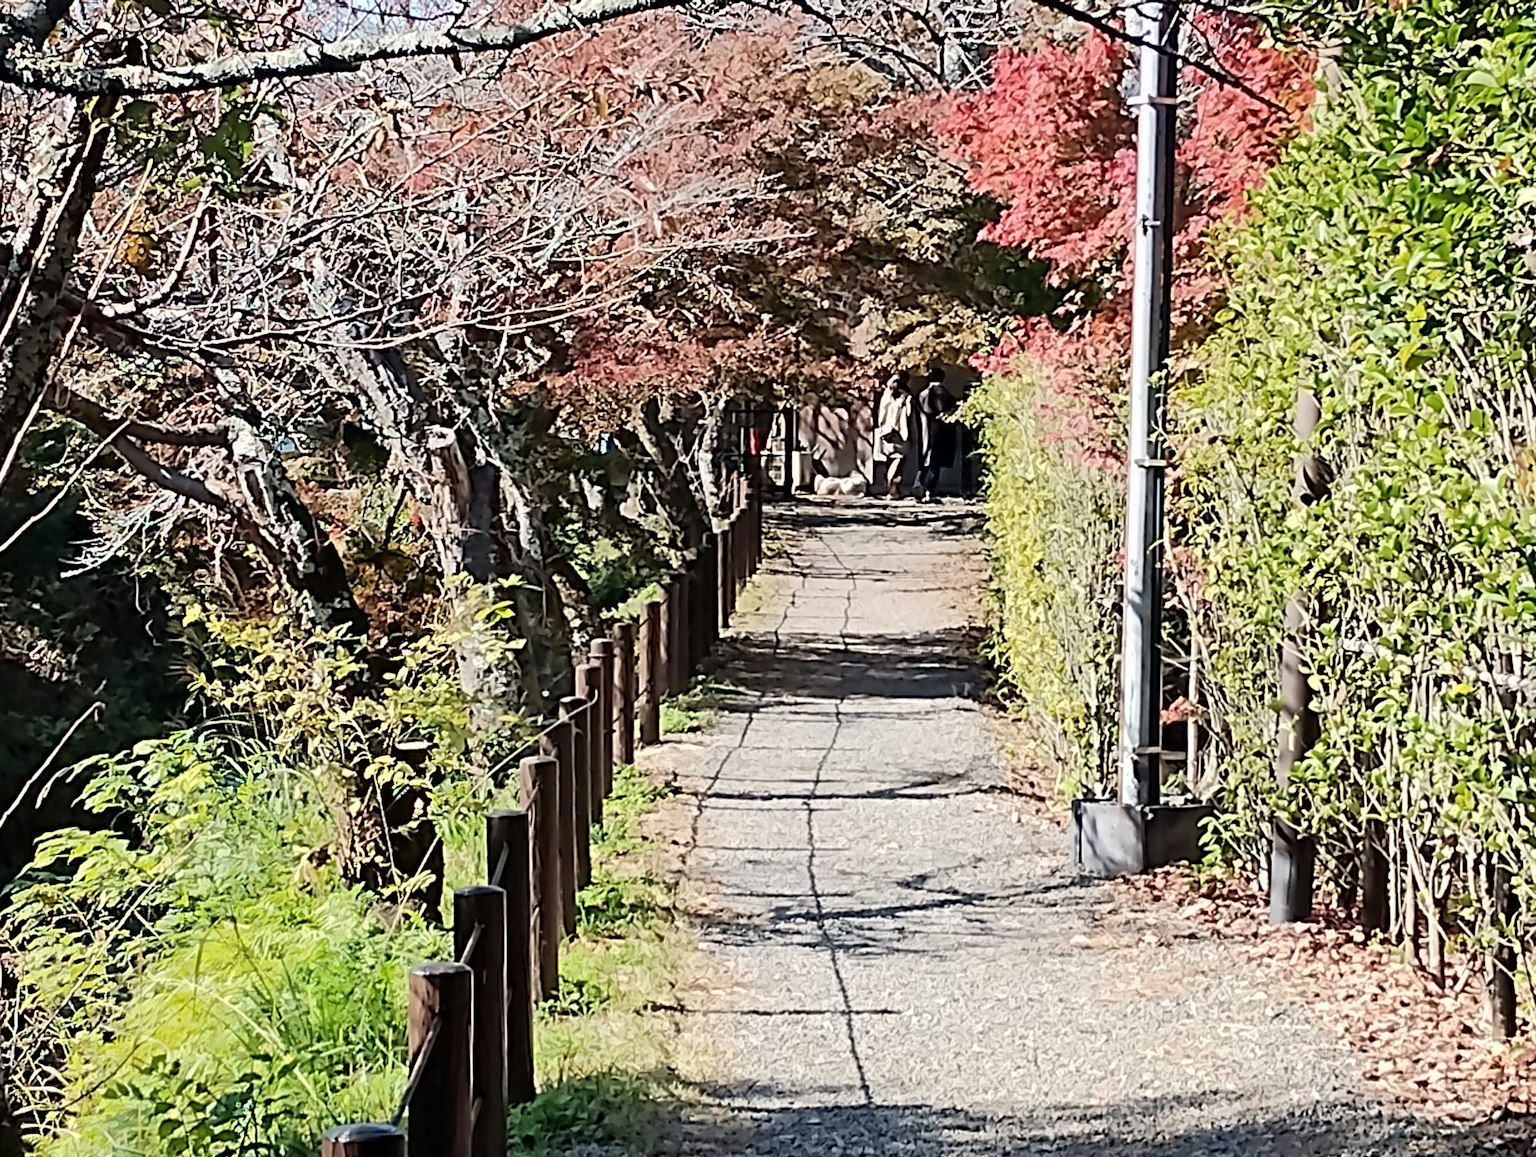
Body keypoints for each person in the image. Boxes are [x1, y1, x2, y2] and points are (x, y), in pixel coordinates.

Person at [916, 366, 957, 501]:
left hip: (923, 428)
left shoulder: (921, 394)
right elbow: (947, 410)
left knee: (925, 459)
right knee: (935, 461)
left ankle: (922, 488)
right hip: (939, 430)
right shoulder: (942, 393)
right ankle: (929, 490)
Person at [872, 371, 913, 497]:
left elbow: (880, 417)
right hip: (899, 433)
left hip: (885, 432)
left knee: (889, 460)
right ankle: (892, 487)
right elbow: (908, 415)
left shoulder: (884, 397)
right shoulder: (905, 398)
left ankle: (890, 487)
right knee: (898, 459)